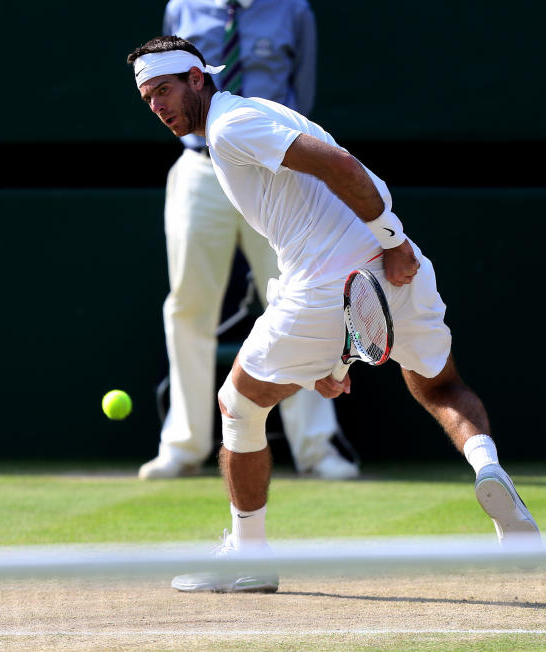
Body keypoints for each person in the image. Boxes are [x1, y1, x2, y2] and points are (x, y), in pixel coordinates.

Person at [127, 36, 541, 593]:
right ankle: (488, 468)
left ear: (197, 79)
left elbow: (339, 164)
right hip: (395, 272)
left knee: (237, 405)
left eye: (164, 90)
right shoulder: (257, 114)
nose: (157, 107)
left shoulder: (230, 127)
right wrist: (339, 343)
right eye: (147, 98)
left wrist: (388, 238)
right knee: (440, 387)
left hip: (342, 275)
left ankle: (248, 558)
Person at [139, 0, 359, 481]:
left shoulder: (293, 11)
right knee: (188, 306)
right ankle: (184, 445)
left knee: (303, 299)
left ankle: (316, 449)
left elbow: (301, 92)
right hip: (199, 168)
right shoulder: (182, 9)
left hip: (275, 174)